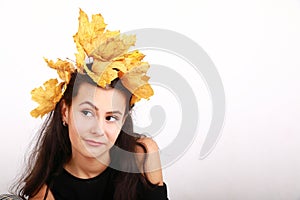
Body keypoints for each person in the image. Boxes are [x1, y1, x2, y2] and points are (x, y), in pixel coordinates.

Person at [12, 9, 168, 200]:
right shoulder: (45, 194)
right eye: (87, 113)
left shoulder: (143, 156)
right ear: (65, 112)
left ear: (123, 121)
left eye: (111, 118)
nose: (98, 129)